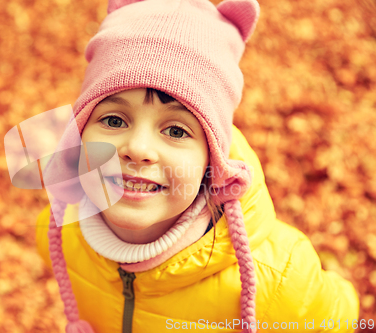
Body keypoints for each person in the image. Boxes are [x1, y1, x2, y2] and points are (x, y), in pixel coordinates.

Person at [35, 0, 360, 332]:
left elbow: (339, 317)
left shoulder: (283, 281)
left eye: (176, 130)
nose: (138, 148)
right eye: (114, 120)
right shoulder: (61, 230)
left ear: (212, 161)